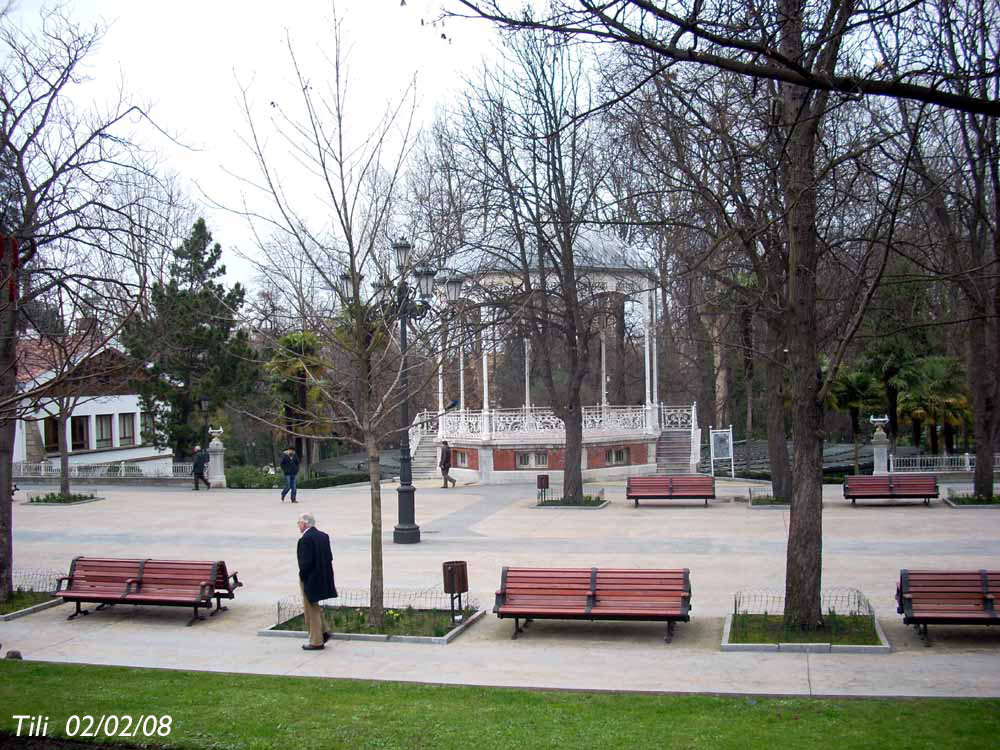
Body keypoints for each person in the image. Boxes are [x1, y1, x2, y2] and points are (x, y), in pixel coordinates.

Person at [296, 512, 336, 651]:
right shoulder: (323, 536)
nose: (298, 525)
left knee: (310, 610)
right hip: (322, 577)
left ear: (306, 523)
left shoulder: (305, 540)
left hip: (310, 579)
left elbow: (305, 564)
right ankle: (324, 631)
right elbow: (329, 557)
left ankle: (316, 641)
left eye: (299, 522)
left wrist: (303, 577)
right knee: (315, 607)